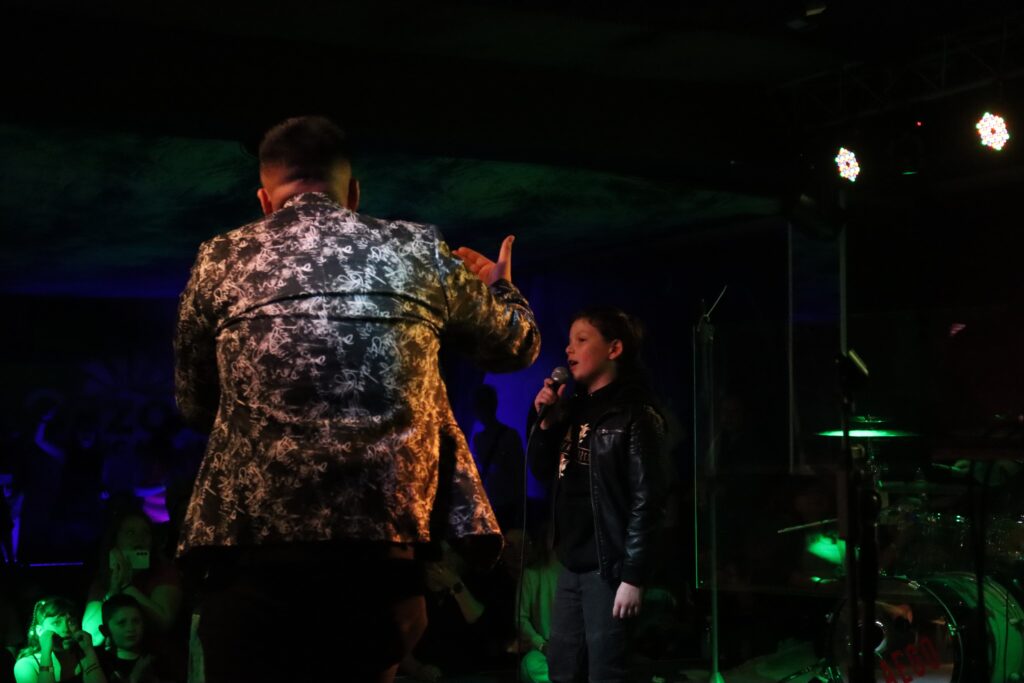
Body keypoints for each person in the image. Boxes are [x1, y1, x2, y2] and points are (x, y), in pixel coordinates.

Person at [173, 115, 540, 683]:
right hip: (379, 560)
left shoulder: (220, 257)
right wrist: (501, 288)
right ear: (353, 194)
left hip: (252, 558)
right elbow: (517, 347)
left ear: (265, 201)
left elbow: (196, 404)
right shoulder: (417, 249)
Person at [529, 306, 669, 683]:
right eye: (569, 341)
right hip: (570, 562)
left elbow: (648, 500)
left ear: (614, 348)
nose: (569, 349)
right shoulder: (571, 409)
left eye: (581, 340)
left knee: (606, 671)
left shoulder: (635, 415)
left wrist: (633, 577)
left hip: (608, 568)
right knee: (563, 668)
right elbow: (543, 472)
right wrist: (544, 423)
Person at [82, 509, 182, 649]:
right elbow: (91, 636)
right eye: (130, 533)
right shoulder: (105, 577)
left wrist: (126, 586)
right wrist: (113, 590)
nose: (139, 538)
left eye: (146, 533)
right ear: (115, 540)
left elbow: (164, 622)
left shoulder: (163, 572)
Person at [13, 597, 107, 683]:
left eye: (71, 622)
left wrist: (89, 652)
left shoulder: (81, 654)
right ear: (40, 631)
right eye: (56, 623)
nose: (65, 629)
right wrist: (46, 654)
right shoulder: (26, 665)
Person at [471, 384, 526, 529]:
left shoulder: (507, 436)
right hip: (496, 502)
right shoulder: (508, 435)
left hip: (501, 503)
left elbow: (519, 472)